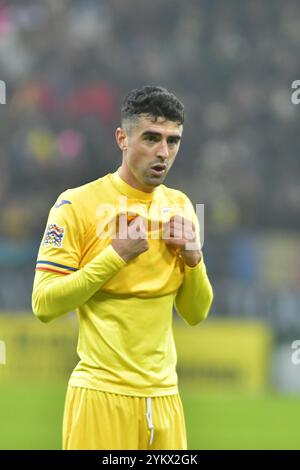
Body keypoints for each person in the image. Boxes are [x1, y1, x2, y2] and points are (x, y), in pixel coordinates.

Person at [32, 85, 213, 450]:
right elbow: (44, 304)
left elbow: (196, 313)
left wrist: (195, 262)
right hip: (101, 396)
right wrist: (114, 256)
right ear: (122, 138)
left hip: (165, 399)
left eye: (172, 141)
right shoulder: (76, 205)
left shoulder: (181, 206)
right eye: (151, 137)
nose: (163, 152)